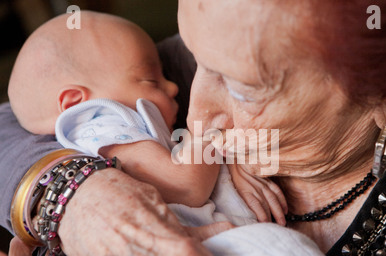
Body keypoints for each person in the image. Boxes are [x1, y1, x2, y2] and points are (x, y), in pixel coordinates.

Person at [0, 0, 386, 256]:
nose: (193, 112)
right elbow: (16, 115)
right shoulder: (219, 39)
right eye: (195, 59)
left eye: (243, 89)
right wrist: (76, 195)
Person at [7, 11, 286, 226]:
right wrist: (214, 136)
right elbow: (186, 186)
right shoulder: (104, 127)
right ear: (78, 103)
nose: (174, 87)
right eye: (151, 79)